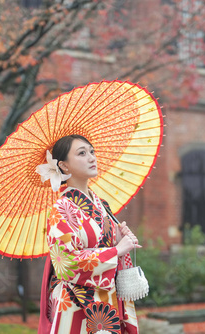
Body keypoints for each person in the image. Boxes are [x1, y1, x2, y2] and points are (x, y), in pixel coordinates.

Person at [38, 134, 141, 334]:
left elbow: (108, 246)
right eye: (82, 153)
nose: (92, 157)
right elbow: (66, 263)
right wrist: (115, 251)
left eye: (92, 152)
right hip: (75, 302)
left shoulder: (103, 205)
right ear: (64, 166)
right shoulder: (61, 209)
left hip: (106, 300)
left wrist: (120, 240)